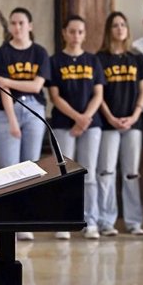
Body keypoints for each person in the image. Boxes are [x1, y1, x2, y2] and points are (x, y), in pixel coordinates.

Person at [0, 7, 50, 241]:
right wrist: (13, 121)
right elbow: (2, 88)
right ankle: (8, 223)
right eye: (13, 23)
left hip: (34, 108)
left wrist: (7, 79)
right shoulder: (2, 52)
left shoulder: (40, 52)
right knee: (9, 169)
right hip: (8, 112)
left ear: (30, 26)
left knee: (30, 168)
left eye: (21, 23)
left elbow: (37, 87)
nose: (17, 27)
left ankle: (25, 221)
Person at [48, 15, 105, 240]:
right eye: (72, 31)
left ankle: (91, 221)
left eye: (80, 32)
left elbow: (98, 94)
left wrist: (85, 118)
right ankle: (65, 220)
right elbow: (55, 96)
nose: (76, 36)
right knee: (65, 175)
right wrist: (76, 117)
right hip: (63, 124)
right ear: (64, 33)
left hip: (91, 125)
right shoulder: (55, 61)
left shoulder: (93, 61)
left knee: (89, 174)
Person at [96, 11, 143, 236]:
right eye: (115, 25)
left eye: (123, 25)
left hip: (132, 123)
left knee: (131, 173)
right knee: (106, 172)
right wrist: (110, 117)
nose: (119, 29)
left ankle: (134, 221)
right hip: (109, 123)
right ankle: (106, 221)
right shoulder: (100, 58)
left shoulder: (137, 58)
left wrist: (135, 116)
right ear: (109, 30)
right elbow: (98, 94)